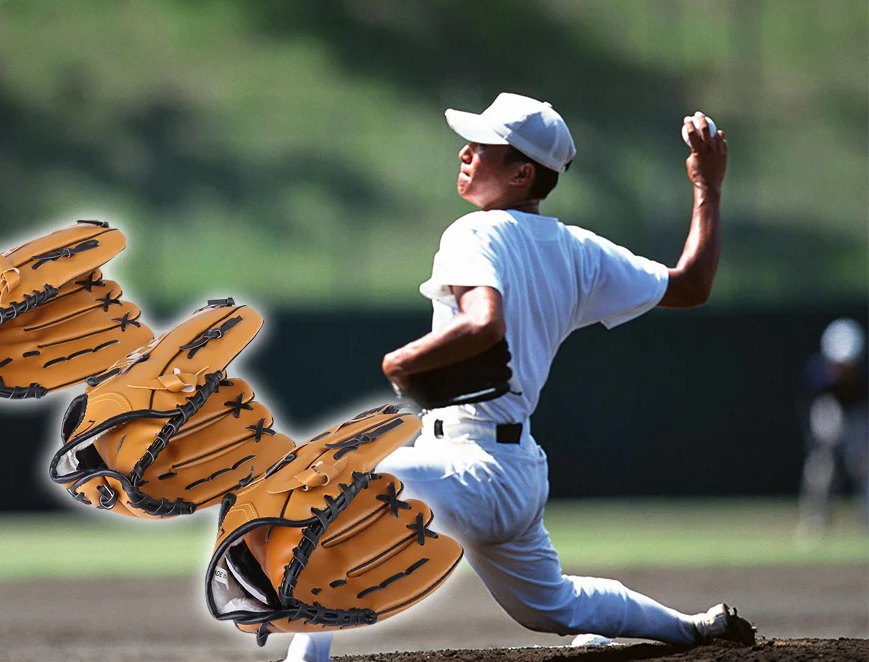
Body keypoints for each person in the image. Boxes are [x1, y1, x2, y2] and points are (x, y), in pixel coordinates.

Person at [285, 93, 751, 662]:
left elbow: (485, 323)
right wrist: (707, 187)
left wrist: (402, 361)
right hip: (514, 474)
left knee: (338, 479)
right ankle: (697, 628)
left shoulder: (472, 234)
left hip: (468, 470)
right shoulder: (578, 250)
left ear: (521, 171)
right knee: (554, 606)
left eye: (482, 147)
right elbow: (692, 285)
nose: (465, 153)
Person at [796, 317, 869, 535]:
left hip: (857, 416)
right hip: (831, 412)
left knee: (863, 464)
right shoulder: (818, 374)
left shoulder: (864, 375)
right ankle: (816, 521)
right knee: (822, 467)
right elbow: (811, 410)